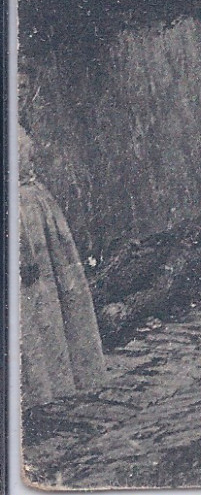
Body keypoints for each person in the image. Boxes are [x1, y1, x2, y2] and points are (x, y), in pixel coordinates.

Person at [17, 65, 108, 409]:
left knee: (56, 298)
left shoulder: (20, 123)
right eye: (16, 86)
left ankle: (60, 381)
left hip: (39, 214)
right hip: (23, 219)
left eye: (26, 86)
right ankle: (35, 389)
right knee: (33, 299)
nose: (22, 93)